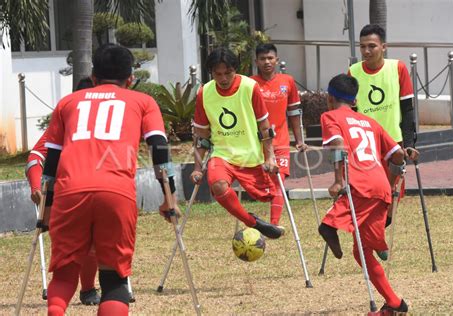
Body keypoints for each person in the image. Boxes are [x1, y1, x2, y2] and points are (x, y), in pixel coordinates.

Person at [41, 44, 174, 316]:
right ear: (130, 79)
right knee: (114, 278)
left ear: (93, 77)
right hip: (117, 192)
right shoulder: (143, 102)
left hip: (70, 191)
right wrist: (168, 197)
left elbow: (51, 161)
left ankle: (55, 311)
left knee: (65, 273)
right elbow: (159, 148)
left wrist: (47, 208)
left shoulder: (68, 102)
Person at [318, 74, 408, 313]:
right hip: (381, 186)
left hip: (360, 185)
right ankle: (395, 304)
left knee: (329, 227)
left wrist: (338, 181)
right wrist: (394, 179)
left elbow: (338, 145)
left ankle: (330, 225)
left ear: (330, 98)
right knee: (362, 251)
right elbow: (398, 156)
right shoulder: (371, 122)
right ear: (355, 100)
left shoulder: (330, 116)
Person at [191, 47, 285, 239]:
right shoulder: (204, 93)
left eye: (228, 73)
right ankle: (252, 222)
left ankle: (269, 222)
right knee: (217, 184)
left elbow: (264, 126)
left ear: (236, 69)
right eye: (218, 74)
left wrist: (269, 157)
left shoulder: (250, 87)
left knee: (269, 193)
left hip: (251, 156)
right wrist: (197, 167)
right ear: (211, 73)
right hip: (222, 154)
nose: (223, 79)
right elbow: (201, 135)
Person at [25, 77, 101, 306]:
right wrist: (37, 187)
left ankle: (88, 289)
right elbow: (35, 158)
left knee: (94, 245)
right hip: (64, 193)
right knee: (73, 246)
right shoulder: (64, 122)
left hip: (97, 190)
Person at [349, 24, 419, 226]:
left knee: (391, 193)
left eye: (372, 46)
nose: (366, 51)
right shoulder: (353, 72)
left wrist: (409, 142)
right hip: (365, 145)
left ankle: (379, 230)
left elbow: (407, 109)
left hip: (393, 145)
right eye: (362, 47)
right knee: (370, 193)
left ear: (384, 47)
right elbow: (350, 112)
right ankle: (372, 236)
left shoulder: (397, 68)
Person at [251, 43, 307, 225]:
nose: (267, 62)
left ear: (276, 59)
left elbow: (293, 112)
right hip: (257, 143)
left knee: (279, 182)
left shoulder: (287, 81)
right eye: (262, 59)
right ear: (256, 61)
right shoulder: (250, 84)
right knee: (262, 186)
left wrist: (299, 140)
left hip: (281, 141)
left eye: (270, 58)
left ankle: (273, 225)